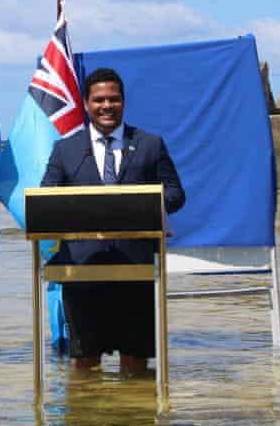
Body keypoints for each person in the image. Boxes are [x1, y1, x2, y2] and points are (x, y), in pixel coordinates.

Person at [41, 67, 185, 373]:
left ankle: (131, 419)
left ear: (123, 102)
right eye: (99, 100)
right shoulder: (65, 149)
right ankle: (86, 420)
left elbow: (175, 193)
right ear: (86, 103)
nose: (107, 106)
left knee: (135, 362)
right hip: (81, 269)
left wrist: (149, 208)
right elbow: (46, 196)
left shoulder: (150, 144)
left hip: (136, 267)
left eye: (114, 99)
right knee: (83, 362)